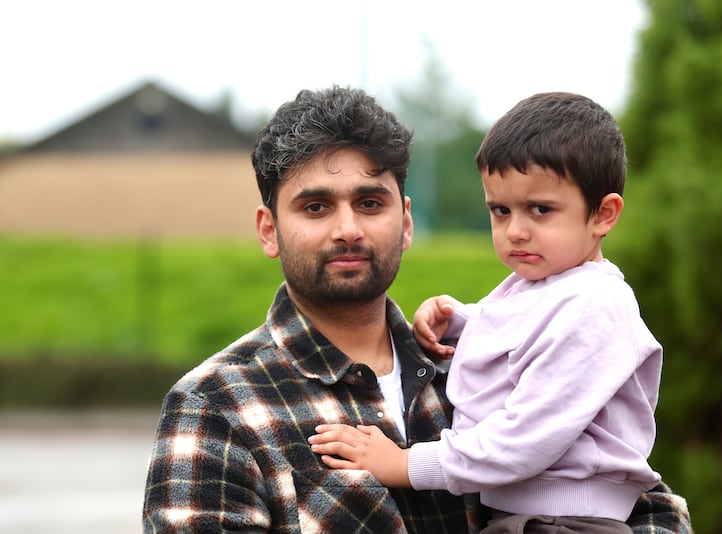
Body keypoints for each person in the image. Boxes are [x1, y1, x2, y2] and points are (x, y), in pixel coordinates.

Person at [143, 86, 692, 533]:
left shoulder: (479, 365)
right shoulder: (217, 406)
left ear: (405, 221)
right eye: (315, 207)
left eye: (369, 202)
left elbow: (648, 507)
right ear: (270, 231)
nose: (348, 229)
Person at [309, 92, 674, 533]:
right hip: (528, 514)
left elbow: (526, 437)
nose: (515, 230)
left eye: (540, 210)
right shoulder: (542, 283)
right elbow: (523, 330)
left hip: (567, 520)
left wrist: (405, 464)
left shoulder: (596, 306)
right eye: (500, 211)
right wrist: (457, 320)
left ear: (603, 214)